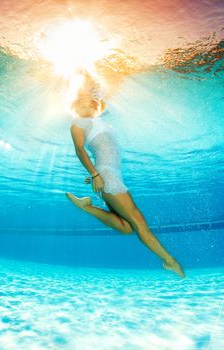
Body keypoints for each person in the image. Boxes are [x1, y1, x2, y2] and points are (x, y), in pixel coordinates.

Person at [65, 74, 185, 278]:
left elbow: (104, 150)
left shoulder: (101, 123)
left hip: (110, 174)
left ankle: (87, 207)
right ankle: (170, 261)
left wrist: (95, 173)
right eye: (82, 105)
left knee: (128, 228)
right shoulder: (79, 123)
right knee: (138, 221)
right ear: (75, 108)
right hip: (106, 175)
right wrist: (95, 174)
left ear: (97, 106)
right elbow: (79, 150)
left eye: (90, 105)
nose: (86, 109)